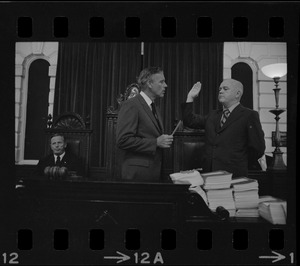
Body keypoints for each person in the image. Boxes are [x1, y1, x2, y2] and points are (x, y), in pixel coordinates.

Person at [182, 79, 266, 178]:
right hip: (209, 174)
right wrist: (190, 97)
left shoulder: (249, 115)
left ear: (237, 94)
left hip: (234, 175)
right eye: (220, 89)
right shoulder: (213, 115)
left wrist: (238, 162)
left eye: (225, 89)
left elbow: (258, 148)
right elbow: (190, 121)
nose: (221, 91)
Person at [116, 67, 173, 181]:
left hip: (153, 173)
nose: (165, 85)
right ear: (149, 84)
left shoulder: (154, 107)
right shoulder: (131, 104)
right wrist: (155, 142)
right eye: (161, 82)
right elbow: (123, 140)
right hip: (137, 175)